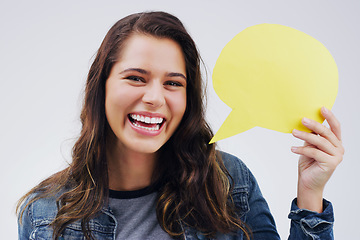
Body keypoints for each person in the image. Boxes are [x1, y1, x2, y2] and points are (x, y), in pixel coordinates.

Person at [17, 11, 344, 240]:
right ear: (101, 86)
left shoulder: (230, 183)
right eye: (135, 78)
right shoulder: (43, 211)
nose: (155, 98)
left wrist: (310, 193)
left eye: (173, 83)